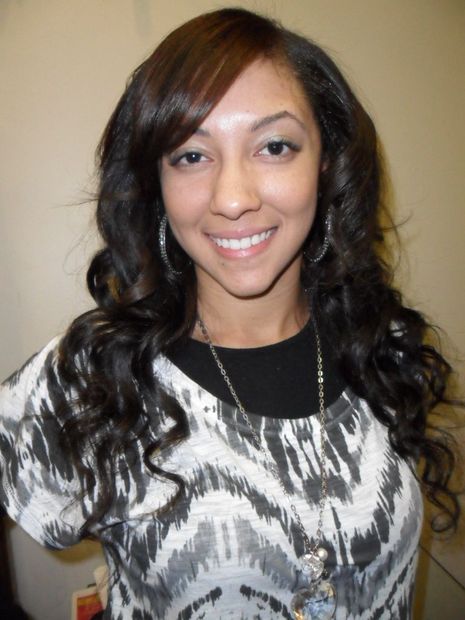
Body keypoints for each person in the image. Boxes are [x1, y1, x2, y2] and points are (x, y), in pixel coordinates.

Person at [0, 8, 461, 620]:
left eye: (274, 146)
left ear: (324, 164)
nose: (234, 198)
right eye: (191, 156)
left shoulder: (381, 343)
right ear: (155, 182)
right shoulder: (100, 372)